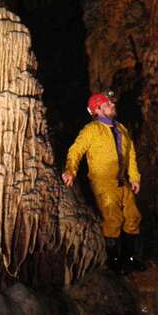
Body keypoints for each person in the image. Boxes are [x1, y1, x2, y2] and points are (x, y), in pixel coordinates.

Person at [62, 89, 144, 273]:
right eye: (108, 104)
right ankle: (113, 262)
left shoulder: (121, 129)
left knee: (133, 217)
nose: (112, 105)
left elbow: (130, 154)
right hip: (103, 182)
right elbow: (76, 151)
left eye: (112, 103)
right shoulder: (91, 130)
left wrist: (135, 177)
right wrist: (70, 171)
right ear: (97, 109)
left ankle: (129, 259)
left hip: (122, 181)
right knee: (113, 219)